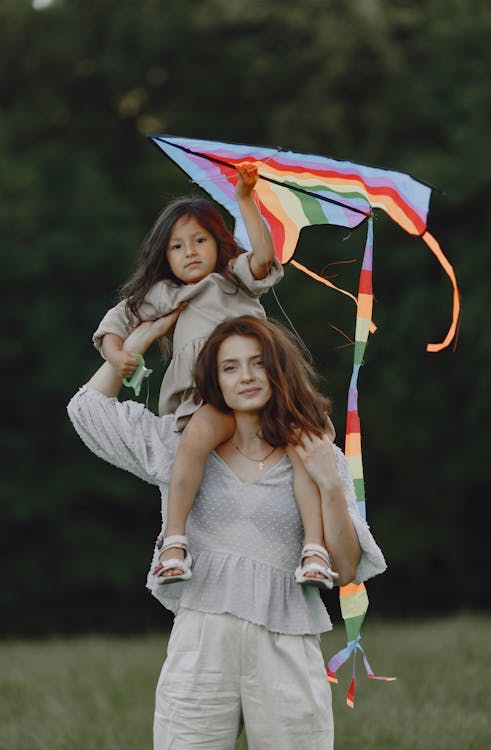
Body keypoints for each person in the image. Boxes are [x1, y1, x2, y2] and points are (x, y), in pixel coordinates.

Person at [68, 312, 386, 749]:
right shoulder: (182, 448)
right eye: (230, 367)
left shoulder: (315, 451)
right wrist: (134, 344)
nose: (247, 376)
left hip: (287, 643)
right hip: (202, 642)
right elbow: (86, 411)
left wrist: (329, 482)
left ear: (279, 369)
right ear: (214, 381)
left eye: (258, 363)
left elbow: (346, 568)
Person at [92, 163, 336, 588]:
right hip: (209, 399)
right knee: (194, 441)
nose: (190, 252)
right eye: (177, 246)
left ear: (219, 242)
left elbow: (263, 258)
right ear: (163, 256)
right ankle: (174, 540)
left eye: (200, 240)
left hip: (266, 391)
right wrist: (118, 358)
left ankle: (314, 551)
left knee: (303, 449)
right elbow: (115, 324)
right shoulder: (165, 294)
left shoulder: (233, 278)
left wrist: (245, 199)